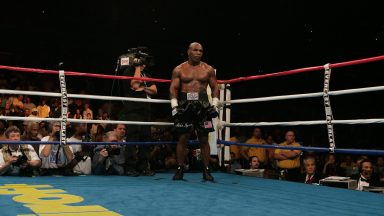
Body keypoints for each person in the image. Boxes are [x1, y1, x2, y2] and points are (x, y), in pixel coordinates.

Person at [169, 42, 220, 181]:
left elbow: (215, 87)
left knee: (204, 138)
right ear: (188, 51)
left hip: (203, 104)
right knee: (183, 138)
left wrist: (214, 104)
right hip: (184, 103)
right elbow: (173, 89)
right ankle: (179, 169)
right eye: (195, 50)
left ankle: (207, 170)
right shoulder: (179, 69)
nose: (198, 53)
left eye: (201, 51)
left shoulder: (208, 69)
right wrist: (174, 106)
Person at [119, 51, 157, 176]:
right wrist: (136, 68)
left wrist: (144, 88)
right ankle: (130, 167)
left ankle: (143, 167)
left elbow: (154, 90)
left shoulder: (147, 74)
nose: (144, 64)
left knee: (146, 139)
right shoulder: (129, 71)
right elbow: (135, 84)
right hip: (133, 110)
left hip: (146, 110)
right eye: (142, 61)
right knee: (133, 138)